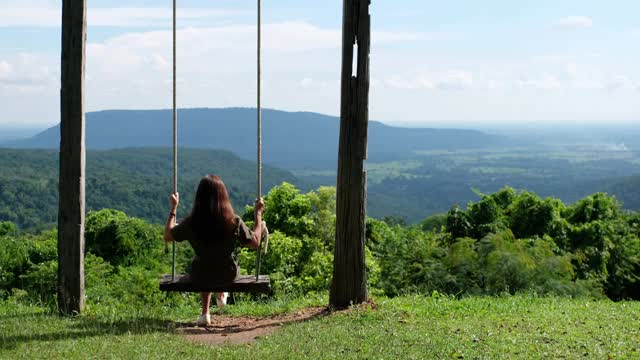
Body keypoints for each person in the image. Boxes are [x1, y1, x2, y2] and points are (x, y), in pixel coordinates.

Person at [163, 175, 267, 326]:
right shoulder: (234, 222)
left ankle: (205, 313)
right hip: (227, 274)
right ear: (223, 196)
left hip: (200, 275)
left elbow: (167, 236)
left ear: (199, 197)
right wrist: (258, 214)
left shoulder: (192, 223)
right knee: (218, 261)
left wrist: (173, 208)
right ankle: (221, 292)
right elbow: (255, 242)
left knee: (203, 261)